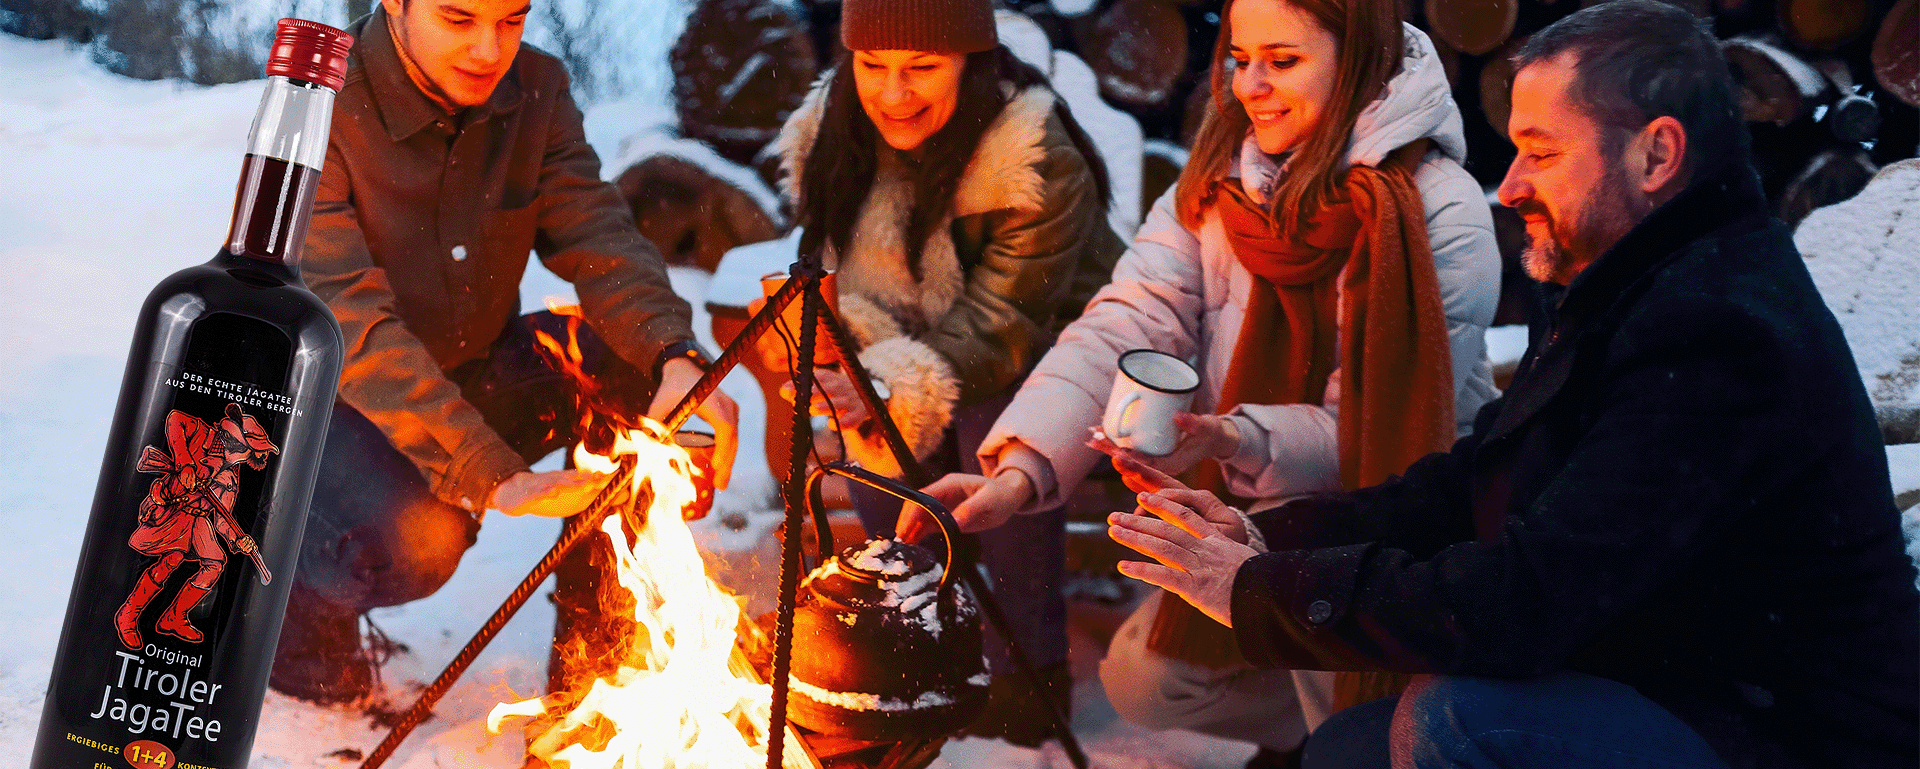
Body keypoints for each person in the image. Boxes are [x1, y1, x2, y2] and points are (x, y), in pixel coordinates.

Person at [1104, 2, 1920, 766]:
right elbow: (1482, 479)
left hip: (1786, 731)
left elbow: (1531, 597)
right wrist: (1274, 542)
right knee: (1350, 746)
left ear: (1658, 154)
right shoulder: (1632, 281)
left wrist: (1269, 590)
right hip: (1668, 675)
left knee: (1456, 719)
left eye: (1543, 151)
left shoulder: (1721, 330)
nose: (1513, 185)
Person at [915, 0, 1500, 760]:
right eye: (1239, 57)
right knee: (1149, 682)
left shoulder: (1435, 207)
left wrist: (1232, 435)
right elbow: (1128, 321)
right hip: (1245, 493)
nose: (1250, 84)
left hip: (1401, 526)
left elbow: (1375, 438)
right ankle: (1315, 731)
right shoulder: (1224, 181)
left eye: (1282, 61)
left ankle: (1360, 741)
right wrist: (1020, 470)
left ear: (1354, 58)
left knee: (1307, 554)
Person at [269, 0, 740, 705]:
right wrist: (485, 470)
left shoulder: (536, 88)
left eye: (511, 20)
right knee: (417, 540)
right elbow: (351, 317)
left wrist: (678, 357)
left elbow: (599, 236)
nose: (490, 50)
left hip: (482, 361)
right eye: (459, 20)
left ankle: (599, 652)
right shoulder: (320, 101)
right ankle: (294, 629)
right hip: (340, 399)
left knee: (637, 375)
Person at [762, 0, 1126, 744]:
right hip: (923, 341)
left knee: (995, 421)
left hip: (1056, 350)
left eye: (922, 68)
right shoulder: (836, 141)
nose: (894, 94)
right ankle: (892, 628)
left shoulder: (1032, 157)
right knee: (867, 416)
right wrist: (832, 359)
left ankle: (1030, 664)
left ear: (970, 61)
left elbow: (1004, 326)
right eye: (873, 67)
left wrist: (891, 385)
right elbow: (841, 291)